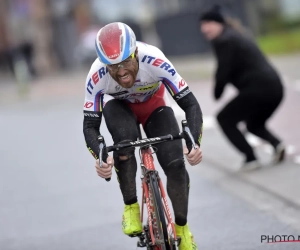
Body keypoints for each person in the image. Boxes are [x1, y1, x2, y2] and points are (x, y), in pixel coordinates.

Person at [83, 22, 203, 249]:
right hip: (118, 108)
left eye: (126, 62)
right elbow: (90, 125)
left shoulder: (155, 60)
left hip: (153, 107)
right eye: (113, 66)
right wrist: (100, 157)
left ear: (136, 53)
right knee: (124, 145)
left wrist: (194, 141)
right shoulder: (96, 75)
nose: (121, 72)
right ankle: (131, 207)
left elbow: (190, 104)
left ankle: (182, 229)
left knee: (176, 164)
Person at [199, 6, 285, 170]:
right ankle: (277, 144)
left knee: (224, 119)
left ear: (220, 23)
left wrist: (217, 92)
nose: (204, 28)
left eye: (208, 23)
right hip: (275, 88)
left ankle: (250, 158)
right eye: (202, 24)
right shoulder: (234, 35)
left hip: (259, 89)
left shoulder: (224, 40)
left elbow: (223, 70)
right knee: (254, 124)